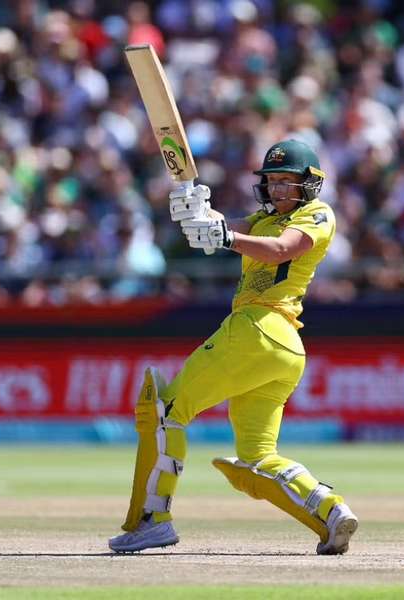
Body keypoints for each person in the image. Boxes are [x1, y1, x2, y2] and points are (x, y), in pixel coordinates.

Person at [107, 139, 358, 555]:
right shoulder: (262, 218)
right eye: (272, 181)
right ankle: (331, 512)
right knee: (257, 457)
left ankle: (152, 520)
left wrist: (224, 235)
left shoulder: (317, 214)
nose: (277, 189)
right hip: (281, 349)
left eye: (286, 181)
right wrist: (193, 209)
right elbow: (220, 227)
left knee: (165, 411)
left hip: (258, 329)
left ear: (310, 184)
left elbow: (281, 249)